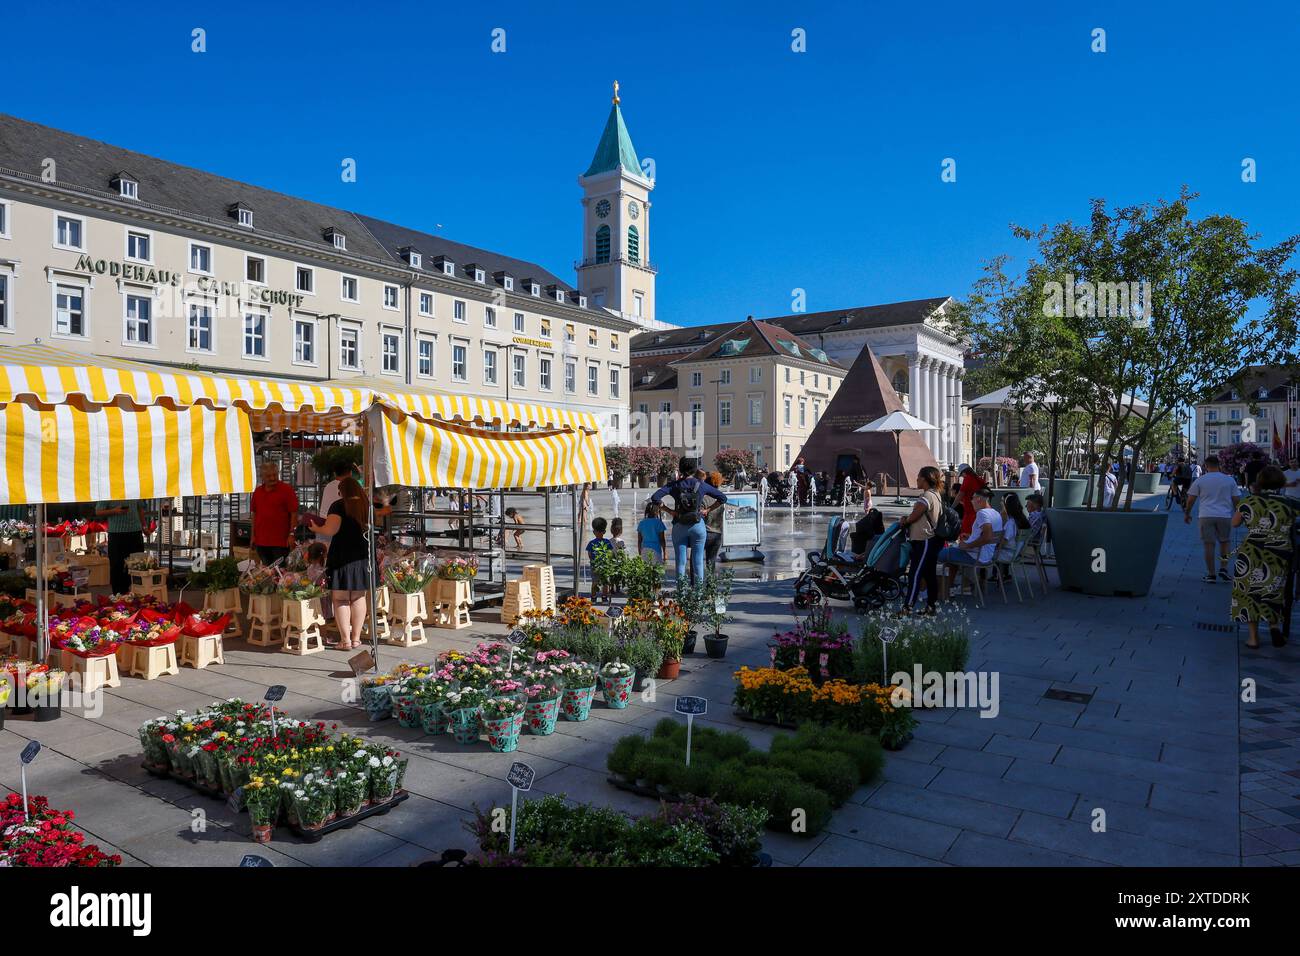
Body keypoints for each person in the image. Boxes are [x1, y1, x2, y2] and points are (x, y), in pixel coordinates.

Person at [1232, 465, 1300, 648]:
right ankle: (1274, 625)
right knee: (1274, 590)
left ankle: (1253, 638)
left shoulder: (1249, 502)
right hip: (1279, 552)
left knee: (1250, 592)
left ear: (1260, 482)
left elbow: (1235, 523)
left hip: (1252, 551)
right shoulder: (1290, 503)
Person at [304, 477, 370, 651]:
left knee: (340, 599)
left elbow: (330, 529)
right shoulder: (366, 505)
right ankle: (356, 639)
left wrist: (315, 528)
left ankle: (345, 641)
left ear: (343, 491)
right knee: (358, 597)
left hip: (342, 554)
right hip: (362, 555)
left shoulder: (338, 506)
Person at [651, 456, 727, 587]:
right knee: (698, 562)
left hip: (680, 525)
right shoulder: (701, 485)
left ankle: (682, 594)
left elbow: (655, 497)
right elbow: (722, 498)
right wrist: (707, 510)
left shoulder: (674, 485)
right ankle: (698, 595)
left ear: (680, 469)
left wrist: (670, 511)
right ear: (694, 469)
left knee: (681, 562)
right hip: (698, 525)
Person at [1184, 454, 1240, 583]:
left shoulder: (1200, 480)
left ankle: (1211, 574)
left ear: (1206, 466)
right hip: (1224, 515)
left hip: (1205, 515)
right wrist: (1238, 513)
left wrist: (1187, 513)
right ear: (1219, 465)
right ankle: (1224, 569)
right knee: (1225, 543)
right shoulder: (1229, 480)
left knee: (1209, 545)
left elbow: (1191, 500)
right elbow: (1236, 499)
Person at [939, 487, 1002, 599]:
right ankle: (948, 589)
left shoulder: (982, 514)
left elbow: (987, 537)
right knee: (951, 559)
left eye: (972, 499)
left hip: (975, 556)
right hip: (987, 556)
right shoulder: (996, 513)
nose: (971, 501)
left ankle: (926, 590)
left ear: (978, 499)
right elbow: (988, 536)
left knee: (934, 554)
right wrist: (970, 537)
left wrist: (967, 545)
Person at [899, 466, 943, 614]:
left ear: (924, 479)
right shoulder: (936, 494)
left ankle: (907, 608)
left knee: (915, 574)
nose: (917, 480)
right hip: (931, 540)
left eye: (918, 477)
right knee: (929, 574)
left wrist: (905, 520)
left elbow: (914, 516)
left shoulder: (926, 497)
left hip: (924, 540)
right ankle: (931, 607)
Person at [251, 461, 299, 566]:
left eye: (275, 475)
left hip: (281, 542)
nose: (273, 478)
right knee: (266, 573)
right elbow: (254, 515)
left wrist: (292, 534)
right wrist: (253, 536)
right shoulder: (257, 492)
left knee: (281, 573)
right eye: (269, 476)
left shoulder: (287, 490)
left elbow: (294, 514)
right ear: (262, 477)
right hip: (261, 541)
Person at [95, 499, 145, 594]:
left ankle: (138, 594)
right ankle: (118, 596)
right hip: (116, 534)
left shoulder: (135, 487)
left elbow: (140, 508)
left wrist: (144, 527)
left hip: (135, 532)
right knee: (117, 566)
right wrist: (115, 511)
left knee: (138, 564)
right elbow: (98, 511)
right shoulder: (109, 490)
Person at [315, 460, 353, 544]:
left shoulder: (328, 486)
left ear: (335, 474)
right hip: (336, 529)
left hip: (324, 528)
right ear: (350, 473)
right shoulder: (347, 487)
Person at [849, 481, 886, 554]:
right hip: (867, 503)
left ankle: (868, 523)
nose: (865, 485)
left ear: (869, 486)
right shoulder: (866, 488)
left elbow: (868, 499)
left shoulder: (868, 491)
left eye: (866, 484)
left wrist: (867, 507)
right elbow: (862, 486)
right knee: (867, 515)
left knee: (867, 515)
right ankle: (868, 522)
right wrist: (856, 483)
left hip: (867, 503)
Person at [955, 465, 987, 537]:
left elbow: (960, 495)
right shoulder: (977, 479)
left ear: (964, 472)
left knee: (966, 534)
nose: (962, 477)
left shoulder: (968, 479)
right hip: (978, 511)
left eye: (962, 475)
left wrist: (952, 507)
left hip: (970, 512)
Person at [585, 516, 613, 598]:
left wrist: (593, 561)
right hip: (605, 566)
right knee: (605, 582)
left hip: (595, 566)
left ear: (594, 532)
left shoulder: (591, 543)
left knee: (594, 582)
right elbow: (610, 554)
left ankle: (593, 597)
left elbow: (589, 555)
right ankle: (604, 596)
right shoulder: (607, 542)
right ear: (604, 531)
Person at [704, 470, 726, 569]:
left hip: (705, 532)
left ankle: (694, 583)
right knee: (711, 562)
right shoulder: (720, 499)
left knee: (696, 559)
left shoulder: (704, 498)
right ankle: (711, 584)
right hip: (717, 533)